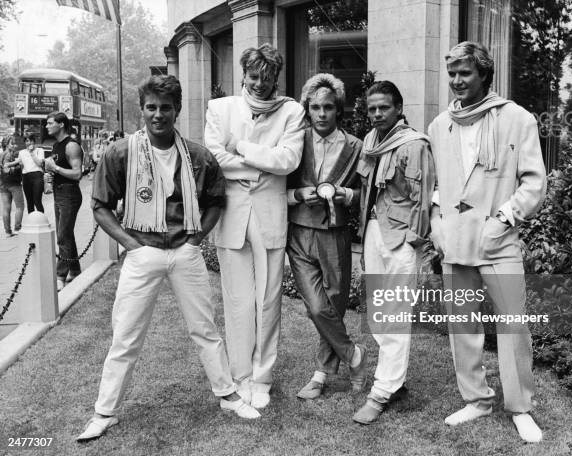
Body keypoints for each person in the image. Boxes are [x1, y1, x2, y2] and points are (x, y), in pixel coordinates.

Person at [77, 75, 260, 442]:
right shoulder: (121, 152)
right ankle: (105, 412)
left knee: (205, 329)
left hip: (184, 252)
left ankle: (227, 395)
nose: (158, 114)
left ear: (176, 110)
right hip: (142, 252)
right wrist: (132, 245)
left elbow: (216, 201)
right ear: (142, 109)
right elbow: (100, 206)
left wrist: (195, 240)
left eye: (165, 108)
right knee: (125, 336)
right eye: (151, 107)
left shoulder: (197, 155)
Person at [427, 41, 547, 443]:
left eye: (465, 73)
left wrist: (503, 218)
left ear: (483, 74)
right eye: (453, 74)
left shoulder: (517, 118)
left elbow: (534, 181)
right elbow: (439, 184)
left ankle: (520, 407)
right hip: (456, 243)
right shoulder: (438, 125)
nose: (457, 81)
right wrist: (436, 222)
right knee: (463, 326)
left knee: (513, 326)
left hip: (499, 242)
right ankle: (476, 399)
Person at [204, 43, 305, 409]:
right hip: (232, 214)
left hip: (269, 215)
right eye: (253, 76)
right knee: (237, 301)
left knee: (268, 300)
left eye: (267, 77)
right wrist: (262, 165)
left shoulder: (292, 111)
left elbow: (289, 160)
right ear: (243, 75)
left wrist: (241, 147)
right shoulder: (220, 108)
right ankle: (240, 375)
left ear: (276, 77)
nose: (260, 83)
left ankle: (262, 377)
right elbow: (215, 158)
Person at [352, 81, 435, 424]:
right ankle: (394, 380)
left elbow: (424, 196)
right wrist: (363, 236)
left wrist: (415, 243)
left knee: (395, 315)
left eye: (383, 107)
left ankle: (382, 390)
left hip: (401, 237)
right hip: (373, 232)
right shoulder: (371, 143)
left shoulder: (414, 145)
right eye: (371, 108)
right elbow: (367, 192)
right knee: (378, 312)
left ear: (399, 108)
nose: (376, 114)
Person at [286, 73, 367, 400]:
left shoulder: (355, 146)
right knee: (316, 307)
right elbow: (276, 184)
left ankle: (320, 374)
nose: (321, 113)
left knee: (332, 304)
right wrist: (297, 194)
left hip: (335, 234)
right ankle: (353, 355)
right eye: (315, 107)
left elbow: (366, 192)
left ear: (338, 110)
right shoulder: (295, 140)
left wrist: (346, 194)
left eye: (328, 107)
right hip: (301, 233)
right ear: (308, 109)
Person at [44, 111, 84, 291]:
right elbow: (57, 169)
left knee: (62, 236)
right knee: (67, 234)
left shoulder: (71, 146)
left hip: (70, 194)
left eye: (50, 123)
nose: (47, 126)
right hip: (58, 193)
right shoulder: (55, 146)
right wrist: (48, 171)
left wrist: (56, 168)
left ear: (61, 124)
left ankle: (60, 276)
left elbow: (77, 174)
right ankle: (75, 270)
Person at [0, 136, 24, 238]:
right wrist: (19, 163)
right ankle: (17, 229)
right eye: (12, 143)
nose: (15, 145)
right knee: (20, 206)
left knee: (6, 208)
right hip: (14, 184)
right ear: (6, 145)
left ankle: (8, 231)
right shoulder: (9, 154)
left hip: (3, 185)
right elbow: (7, 168)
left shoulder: (1, 154)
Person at [16, 133, 45, 213]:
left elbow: (39, 164)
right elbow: (20, 164)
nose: (29, 143)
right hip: (26, 177)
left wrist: (32, 153)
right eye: (27, 141)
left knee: (37, 200)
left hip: (37, 176)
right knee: (29, 202)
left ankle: (42, 221)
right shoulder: (21, 152)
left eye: (31, 141)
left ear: (34, 141)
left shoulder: (40, 150)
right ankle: (31, 222)